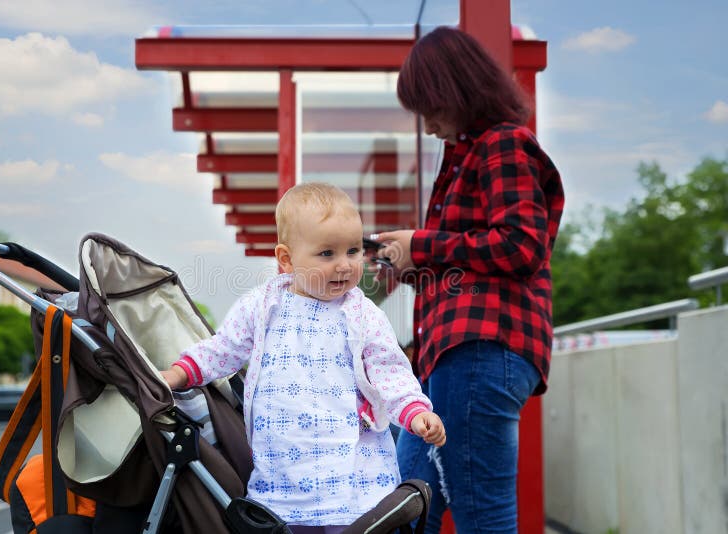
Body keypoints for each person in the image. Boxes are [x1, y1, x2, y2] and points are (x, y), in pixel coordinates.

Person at [161, 182, 446, 534]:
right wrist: (178, 374)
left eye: (353, 251)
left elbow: (390, 373)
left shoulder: (363, 315)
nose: (344, 265)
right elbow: (223, 349)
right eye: (327, 253)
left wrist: (415, 412)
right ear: (286, 259)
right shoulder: (263, 307)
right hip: (282, 477)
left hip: (353, 479)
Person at [371, 27, 565, 534]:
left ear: (456, 91)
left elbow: (521, 246)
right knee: (402, 508)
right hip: (456, 354)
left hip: (479, 350)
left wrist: (422, 245)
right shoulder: (473, 154)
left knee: (479, 514)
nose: (428, 125)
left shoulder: (503, 145)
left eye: (431, 109)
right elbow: (482, 258)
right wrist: (413, 265)